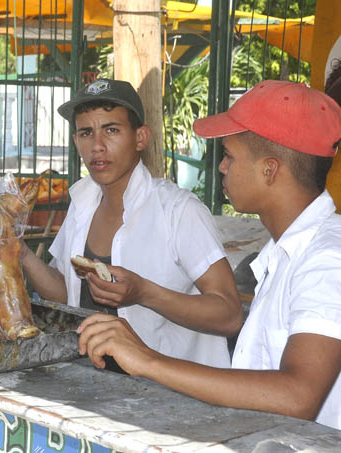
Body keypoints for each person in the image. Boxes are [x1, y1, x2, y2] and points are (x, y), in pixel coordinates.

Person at [78, 80, 341, 430]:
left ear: (270, 169)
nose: (221, 167)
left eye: (230, 155)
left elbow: (298, 396)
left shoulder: (327, 259)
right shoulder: (286, 253)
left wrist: (147, 360)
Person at [20, 79, 242, 370]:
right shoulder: (82, 203)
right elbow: (68, 294)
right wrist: (20, 252)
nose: (97, 146)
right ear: (76, 141)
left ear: (140, 138)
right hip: (92, 383)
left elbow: (229, 314)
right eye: (86, 133)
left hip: (170, 397)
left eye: (111, 130)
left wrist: (144, 293)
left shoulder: (177, 211)